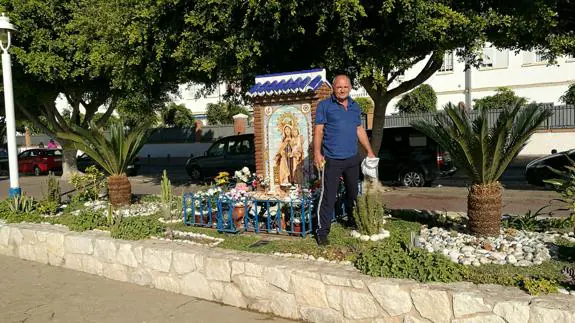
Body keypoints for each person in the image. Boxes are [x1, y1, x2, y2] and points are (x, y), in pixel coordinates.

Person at [313, 74, 375, 246]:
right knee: (329, 196)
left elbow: (359, 130)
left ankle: (352, 220)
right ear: (333, 88)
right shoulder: (324, 106)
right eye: (339, 87)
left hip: (352, 158)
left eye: (345, 87)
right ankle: (322, 231)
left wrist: (369, 151)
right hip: (332, 159)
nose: (342, 90)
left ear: (350, 88)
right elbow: (318, 131)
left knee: (353, 193)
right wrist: (317, 153)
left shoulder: (355, 106)